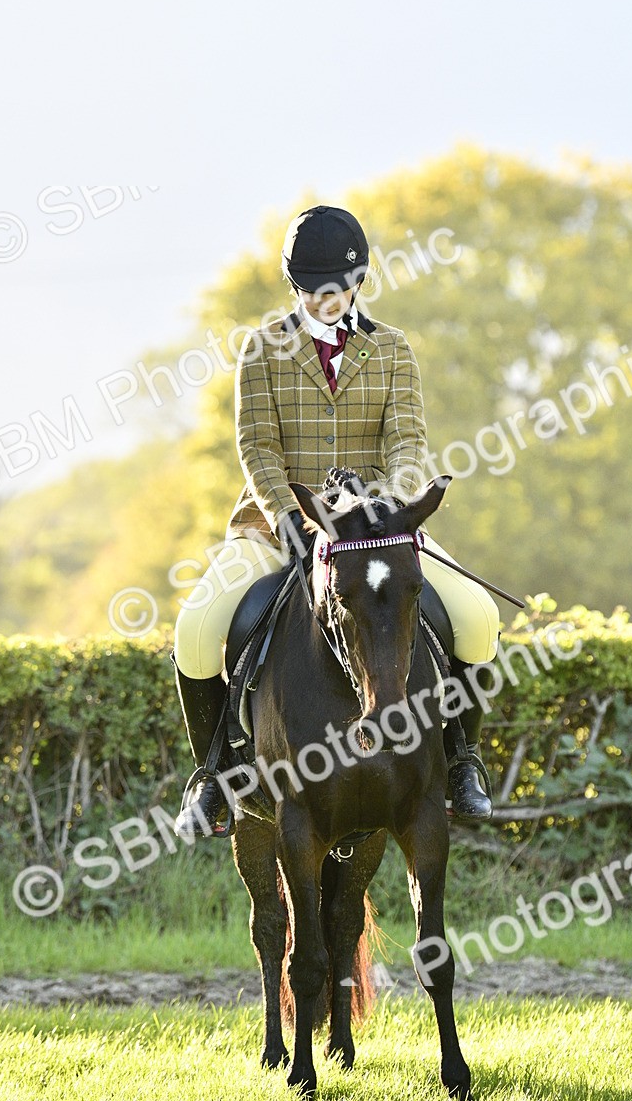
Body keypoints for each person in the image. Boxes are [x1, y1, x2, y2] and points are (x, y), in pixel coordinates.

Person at [171, 205, 499, 837]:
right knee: (195, 629)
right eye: (311, 289)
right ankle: (213, 777)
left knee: (479, 617)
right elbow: (258, 448)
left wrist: (386, 509)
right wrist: (289, 516)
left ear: (359, 282)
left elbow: (407, 441)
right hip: (277, 525)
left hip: (377, 529)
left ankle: (462, 761)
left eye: (337, 289)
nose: (325, 301)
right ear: (293, 285)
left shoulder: (392, 349)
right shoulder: (262, 350)